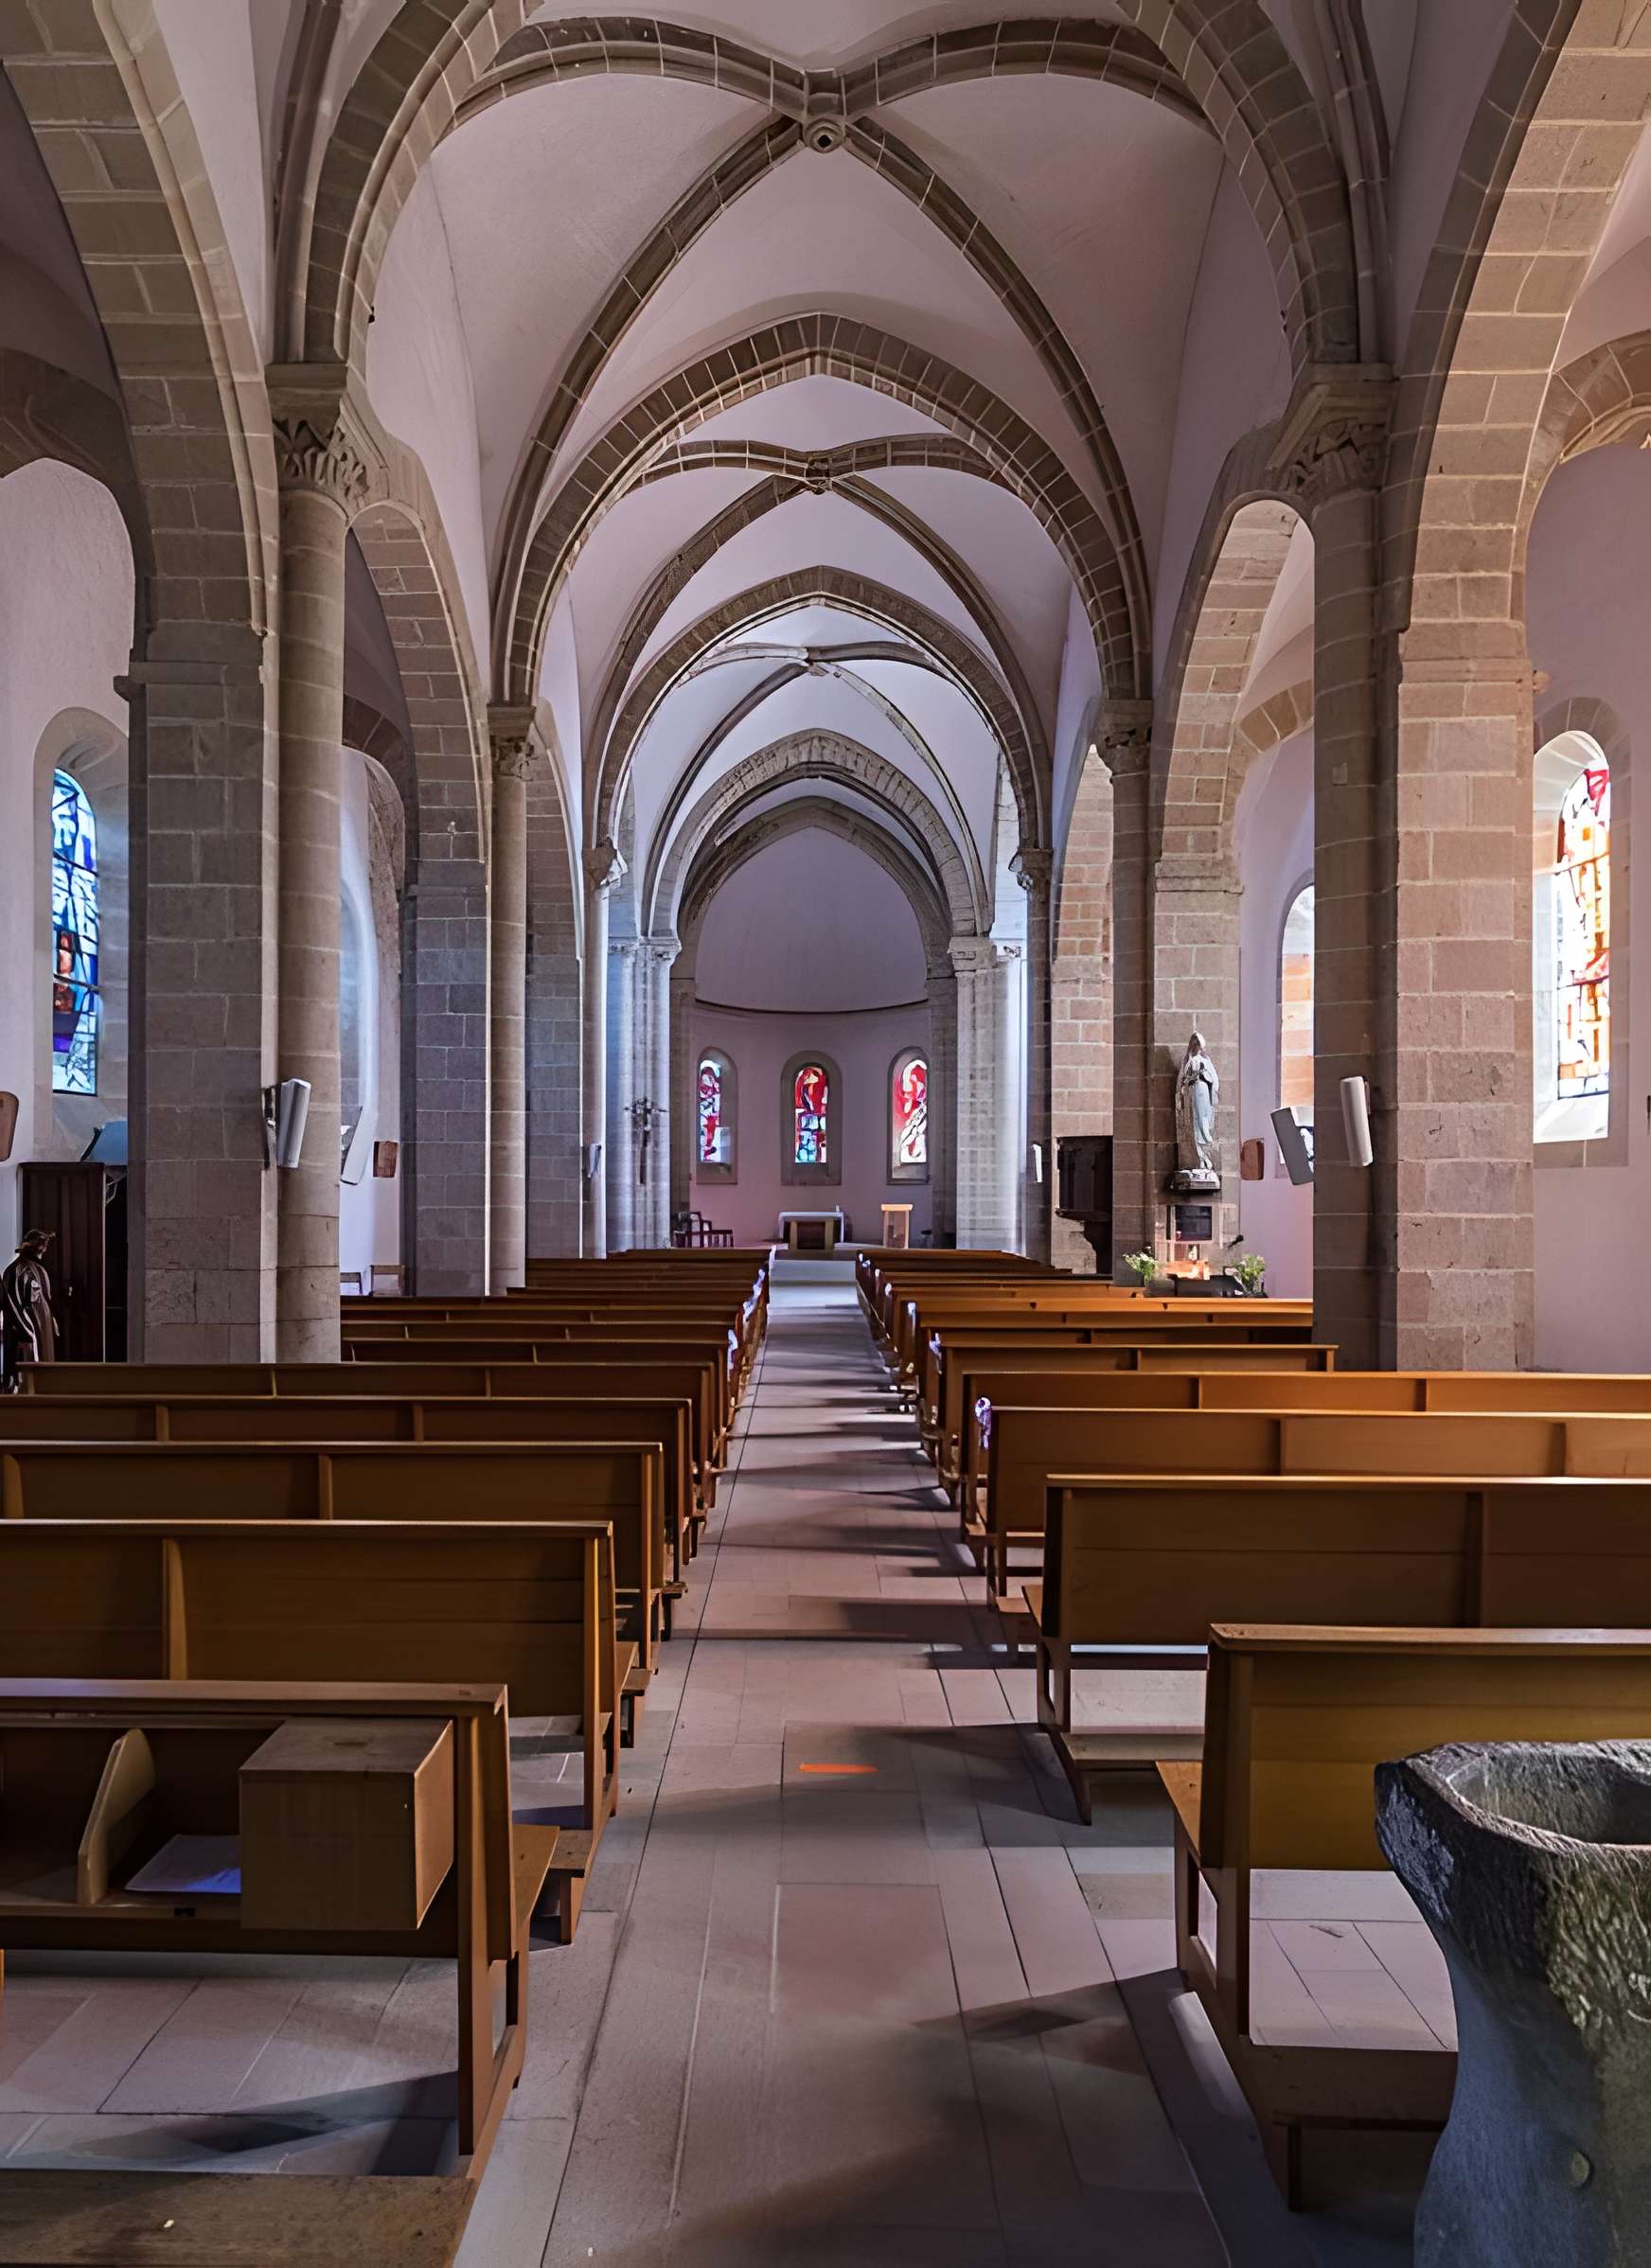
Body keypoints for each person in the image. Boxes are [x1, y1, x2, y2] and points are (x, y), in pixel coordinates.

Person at [2, 1228, 58, 1387]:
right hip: (28, 1332)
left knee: (42, 1376)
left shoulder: (35, 1270)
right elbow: (13, 1305)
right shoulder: (18, 1271)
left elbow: (44, 1300)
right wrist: (26, 1332)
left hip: (39, 1329)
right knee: (27, 1379)